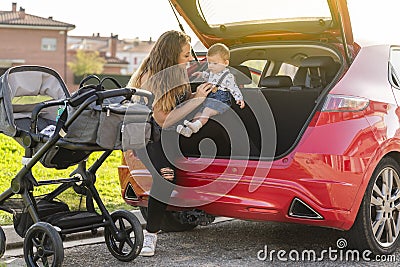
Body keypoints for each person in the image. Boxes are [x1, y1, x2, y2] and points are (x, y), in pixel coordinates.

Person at [127, 30, 213, 257]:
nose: (189, 60)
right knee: (165, 177)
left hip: (172, 132)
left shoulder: (177, 73)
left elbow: (179, 106)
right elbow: (163, 120)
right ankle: (150, 235)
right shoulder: (151, 77)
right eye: (185, 55)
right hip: (148, 136)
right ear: (171, 54)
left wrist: (197, 95)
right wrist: (197, 100)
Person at [176, 43, 245, 137]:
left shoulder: (228, 77)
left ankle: (196, 126)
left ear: (226, 63)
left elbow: (234, 88)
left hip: (221, 100)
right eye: (209, 63)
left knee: (206, 112)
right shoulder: (213, 73)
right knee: (199, 113)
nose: (210, 66)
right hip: (211, 98)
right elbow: (209, 77)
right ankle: (189, 130)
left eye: (215, 63)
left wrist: (239, 98)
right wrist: (202, 75)